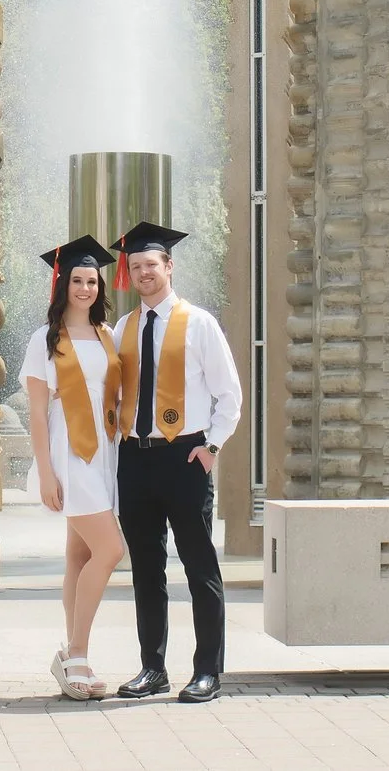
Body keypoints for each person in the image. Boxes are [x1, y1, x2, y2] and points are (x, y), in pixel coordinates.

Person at [109, 220, 242, 704]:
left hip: (185, 456)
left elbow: (230, 394)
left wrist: (213, 448)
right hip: (136, 459)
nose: (144, 273)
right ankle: (152, 668)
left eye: (152, 265)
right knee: (145, 569)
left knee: (199, 565)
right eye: (136, 266)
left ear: (169, 266)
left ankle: (207, 670)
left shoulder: (198, 323)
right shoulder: (123, 328)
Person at [20, 235, 127, 701]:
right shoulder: (44, 340)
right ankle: (77, 653)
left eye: (91, 281)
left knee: (80, 556)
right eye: (77, 280)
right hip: (69, 452)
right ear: (62, 285)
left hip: (104, 452)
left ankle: (72, 656)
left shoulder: (107, 336)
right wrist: (46, 473)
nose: (84, 288)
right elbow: (38, 414)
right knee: (111, 550)